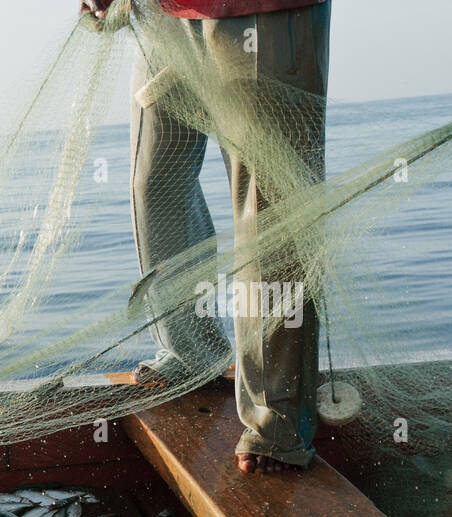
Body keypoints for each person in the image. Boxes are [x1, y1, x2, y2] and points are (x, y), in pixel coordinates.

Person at [83, 0, 331, 475]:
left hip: (262, 13)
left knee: (268, 203)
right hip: (163, 12)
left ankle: (276, 420)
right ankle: (191, 351)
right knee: (155, 182)